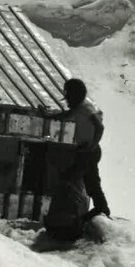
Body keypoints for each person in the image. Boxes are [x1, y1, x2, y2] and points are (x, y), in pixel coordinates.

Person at [44, 78, 111, 220]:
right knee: (89, 180)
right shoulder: (81, 106)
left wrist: (92, 145)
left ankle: (98, 209)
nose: (67, 101)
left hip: (89, 151)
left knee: (75, 178)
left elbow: (100, 127)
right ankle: (100, 208)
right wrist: (50, 116)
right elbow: (67, 115)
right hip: (86, 150)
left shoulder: (86, 108)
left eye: (68, 97)